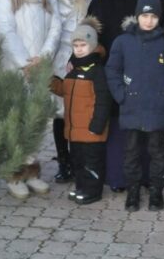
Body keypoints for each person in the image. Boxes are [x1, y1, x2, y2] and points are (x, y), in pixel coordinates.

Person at [88, 0, 164, 193]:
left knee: (150, 130)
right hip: (114, 75)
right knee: (118, 128)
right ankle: (119, 178)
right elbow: (90, 32)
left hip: (151, 79)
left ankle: (149, 177)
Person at [0, 0, 62, 199]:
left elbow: (56, 28)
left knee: (37, 121)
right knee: (17, 121)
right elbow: (5, 31)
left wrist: (43, 57)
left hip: (40, 68)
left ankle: (32, 172)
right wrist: (24, 62)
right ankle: (14, 174)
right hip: (16, 69)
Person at [105, 0, 164, 212]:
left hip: (158, 107)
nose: (148, 21)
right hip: (131, 106)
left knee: (157, 151)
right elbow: (112, 70)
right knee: (131, 152)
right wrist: (121, 94)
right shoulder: (123, 41)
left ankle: (156, 191)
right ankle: (133, 192)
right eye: (144, 15)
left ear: (159, 18)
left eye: (153, 16)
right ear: (137, 16)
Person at [47, 0, 96, 184]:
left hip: (82, 58)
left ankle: (79, 162)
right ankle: (63, 162)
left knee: (78, 113)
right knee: (60, 114)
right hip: (58, 58)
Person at [51, 17, 111, 205]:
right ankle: (81, 187)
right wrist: (51, 82)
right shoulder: (73, 71)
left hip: (92, 131)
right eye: (76, 45)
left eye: (83, 45)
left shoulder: (98, 71)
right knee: (77, 161)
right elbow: (65, 90)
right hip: (74, 131)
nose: (79, 49)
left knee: (91, 162)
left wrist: (97, 125)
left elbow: (104, 100)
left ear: (92, 46)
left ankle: (93, 190)